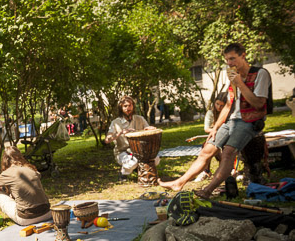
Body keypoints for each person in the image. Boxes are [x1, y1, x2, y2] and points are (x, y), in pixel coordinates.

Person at [160, 43, 271, 198]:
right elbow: (228, 105)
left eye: (232, 59)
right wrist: (215, 127)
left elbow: (259, 103)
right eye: (227, 60)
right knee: (206, 150)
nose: (229, 63)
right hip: (231, 121)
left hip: (250, 121)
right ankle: (179, 182)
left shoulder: (260, 74)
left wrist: (240, 83)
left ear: (243, 55)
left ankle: (208, 190)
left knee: (228, 153)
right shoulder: (234, 76)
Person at [0, 147, 51, 226]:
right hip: (47, 213)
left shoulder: (7, 173)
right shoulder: (30, 169)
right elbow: (38, 175)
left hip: (27, 219)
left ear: (5, 160)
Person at [105, 96, 158, 181]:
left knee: (156, 159)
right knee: (132, 162)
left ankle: (138, 169)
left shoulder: (140, 119)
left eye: (130, 105)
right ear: (121, 107)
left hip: (140, 150)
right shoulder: (115, 122)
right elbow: (107, 140)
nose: (128, 108)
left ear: (133, 106)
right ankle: (123, 174)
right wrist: (120, 132)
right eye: (125, 106)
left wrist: (150, 129)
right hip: (123, 152)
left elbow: (147, 129)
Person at [193, 92, 228, 181]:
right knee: (206, 146)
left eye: (222, 105)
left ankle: (225, 171)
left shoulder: (228, 113)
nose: (219, 107)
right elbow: (206, 128)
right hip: (215, 135)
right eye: (217, 104)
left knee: (226, 150)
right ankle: (206, 171)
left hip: (227, 135)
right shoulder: (210, 113)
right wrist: (216, 130)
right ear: (214, 102)